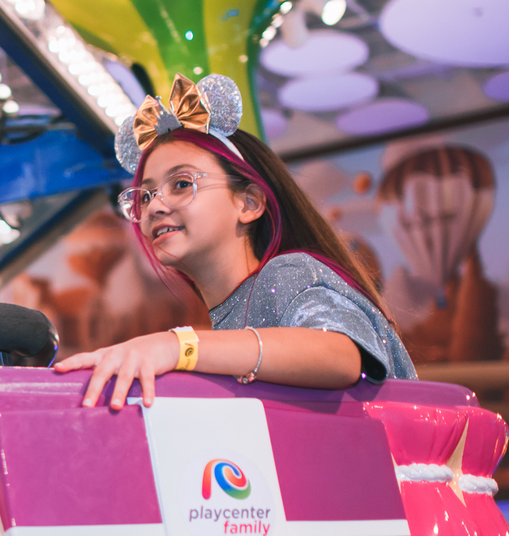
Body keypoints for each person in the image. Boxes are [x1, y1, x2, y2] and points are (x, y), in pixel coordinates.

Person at [54, 74, 415, 409]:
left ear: (250, 203)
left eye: (181, 184)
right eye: (144, 196)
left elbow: (340, 355)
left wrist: (178, 346)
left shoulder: (287, 272)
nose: (155, 207)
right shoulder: (230, 319)